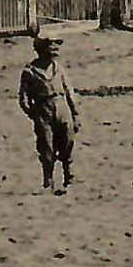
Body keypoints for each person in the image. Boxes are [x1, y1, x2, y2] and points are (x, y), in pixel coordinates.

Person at [19, 35, 80, 195]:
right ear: (41, 50)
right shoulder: (30, 71)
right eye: (50, 47)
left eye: (55, 47)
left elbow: (69, 92)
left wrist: (75, 114)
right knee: (46, 146)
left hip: (61, 106)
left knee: (68, 141)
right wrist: (33, 113)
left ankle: (69, 177)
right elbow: (23, 98)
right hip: (43, 108)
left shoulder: (59, 69)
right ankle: (48, 179)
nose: (54, 51)